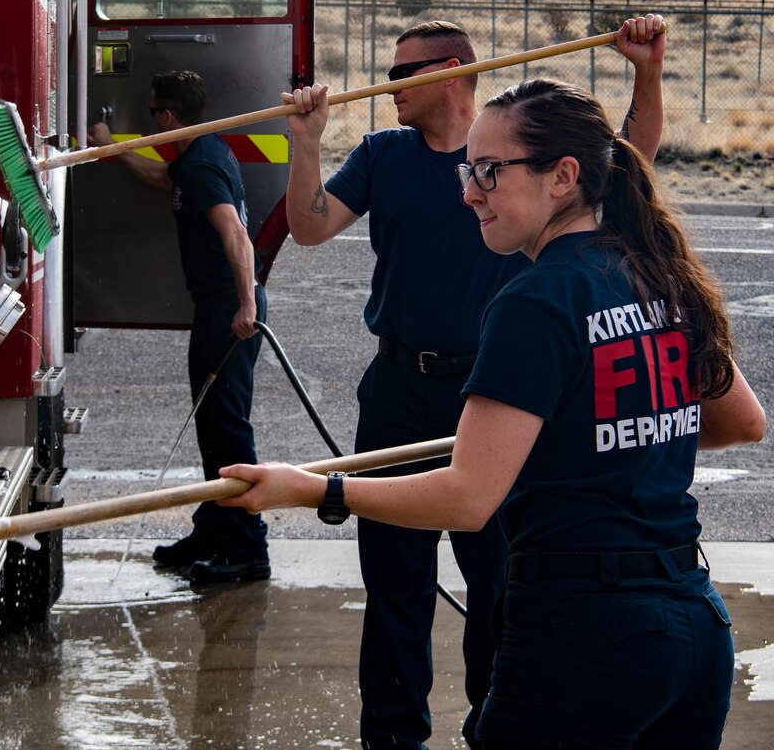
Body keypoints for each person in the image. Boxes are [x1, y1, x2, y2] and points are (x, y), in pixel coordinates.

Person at [220, 77, 767, 749]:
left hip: (585, 637)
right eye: (466, 168)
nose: (467, 190)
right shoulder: (657, 272)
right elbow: (740, 420)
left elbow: (470, 496)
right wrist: (595, 435)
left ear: (563, 176)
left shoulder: (535, 300)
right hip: (694, 626)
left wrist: (311, 488)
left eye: (488, 171)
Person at [276, 17, 667, 749]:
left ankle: (496, 728)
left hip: (494, 395)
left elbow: (629, 159)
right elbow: (308, 225)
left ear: (451, 73)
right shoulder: (383, 155)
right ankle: (392, 739)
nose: (388, 87)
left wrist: (645, 73)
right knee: (395, 581)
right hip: (396, 384)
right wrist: (304, 143)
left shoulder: (524, 164)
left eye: (402, 74)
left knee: (498, 585)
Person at [88, 70, 270, 584]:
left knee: (227, 431)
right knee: (213, 427)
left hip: (227, 310)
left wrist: (244, 303)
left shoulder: (203, 167)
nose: (152, 120)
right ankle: (214, 527)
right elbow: (157, 178)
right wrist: (113, 150)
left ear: (167, 116)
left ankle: (248, 550)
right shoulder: (195, 155)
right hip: (219, 306)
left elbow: (235, 232)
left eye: (153, 113)